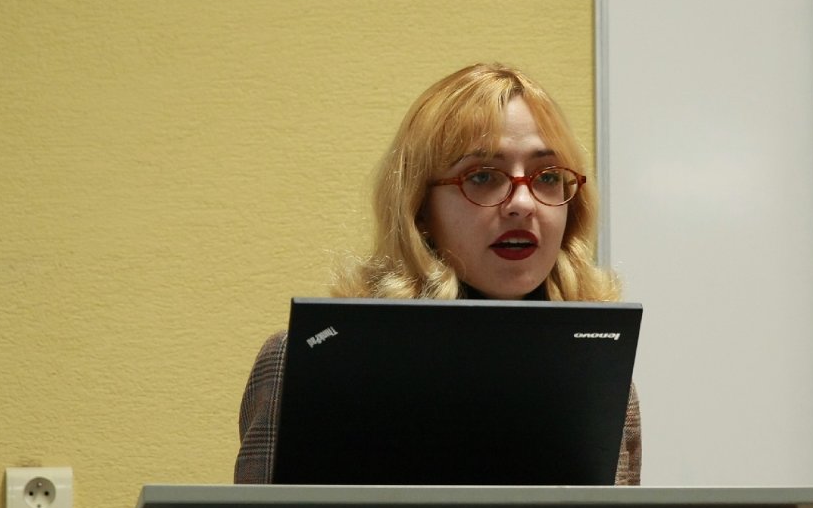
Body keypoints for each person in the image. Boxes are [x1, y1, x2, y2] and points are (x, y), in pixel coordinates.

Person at [234, 63, 641, 485]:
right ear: (420, 210)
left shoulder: (604, 384)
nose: (523, 204)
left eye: (549, 176)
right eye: (482, 176)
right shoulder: (307, 365)